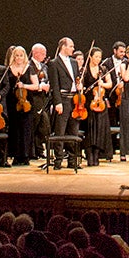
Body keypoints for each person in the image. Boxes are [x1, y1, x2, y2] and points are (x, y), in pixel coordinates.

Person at [46, 38, 82, 166]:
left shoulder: (73, 62)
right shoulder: (54, 63)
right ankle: (58, 160)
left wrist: (79, 86)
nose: (73, 48)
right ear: (63, 47)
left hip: (75, 101)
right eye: (71, 46)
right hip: (63, 99)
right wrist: (58, 103)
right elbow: (54, 85)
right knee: (60, 131)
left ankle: (72, 160)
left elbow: (77, 78)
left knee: (73, 131)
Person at [3, 46, 36, 165]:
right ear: (13, 56)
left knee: (26, 129)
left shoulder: (29, 68)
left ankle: (25, 156)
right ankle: (16, 156)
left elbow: (36, 86)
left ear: (24, 56)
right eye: (16, 55)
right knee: (14, 129)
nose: (19, 58)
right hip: (12, 102)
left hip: (27, 102)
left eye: (21, 55)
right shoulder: (8, 69)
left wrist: (24, 86)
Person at [110, 41, 129, 160]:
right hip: (126, 97)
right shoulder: (123, 64)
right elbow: (126, 78)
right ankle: (123, 152)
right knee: (125, 126)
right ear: (127, 55)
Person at [27, 43, 51, 160]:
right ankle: (32, 151)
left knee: (43, 126)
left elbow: (46, 79)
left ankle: (39, 149)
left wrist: (47, 85)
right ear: (35, 53)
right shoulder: (28, 65)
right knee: (34, 125)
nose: (45, 56)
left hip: (43, 99)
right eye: (43, 53)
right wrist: (41, 86)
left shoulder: (44, 66)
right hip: (33, 99)